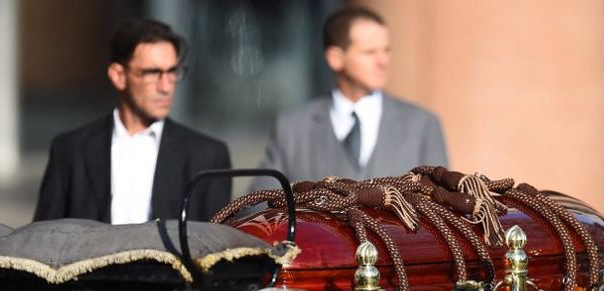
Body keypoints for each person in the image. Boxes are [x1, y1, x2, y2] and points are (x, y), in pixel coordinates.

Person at [33, 18, 231, 224]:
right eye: (152, 73)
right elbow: (42, 239)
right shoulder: (70, 150)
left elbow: (216, 248)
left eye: (172, 72)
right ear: (118, 76)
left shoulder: (208, 157)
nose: (166, 86)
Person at [260, 6, 448, 182]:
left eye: (386, 50)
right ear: (335, 58)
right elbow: (260, 206)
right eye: (369, 52)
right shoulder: (291, 128)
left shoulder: (422, 125)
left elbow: (442, 210)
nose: (383, 61)